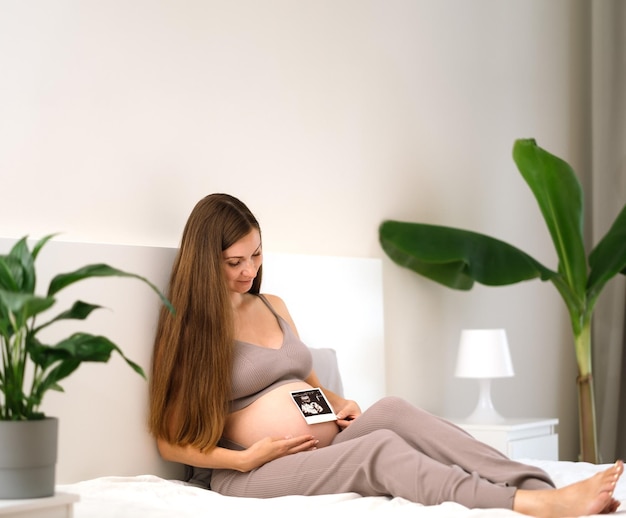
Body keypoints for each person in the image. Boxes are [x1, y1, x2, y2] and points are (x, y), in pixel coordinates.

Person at [149, 193, 623, 517]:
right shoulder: (191, 328)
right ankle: (527, 504)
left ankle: (541, 485)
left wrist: (339, 403)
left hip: (325, 439)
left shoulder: (274, 306)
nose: (250, 270)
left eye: (256, 255)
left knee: (391, 408)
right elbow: (169, 440)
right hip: (250, 471)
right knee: (379, 452)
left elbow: (309, 382)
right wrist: (244, 459)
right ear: (204, 259)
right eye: (235, 262)